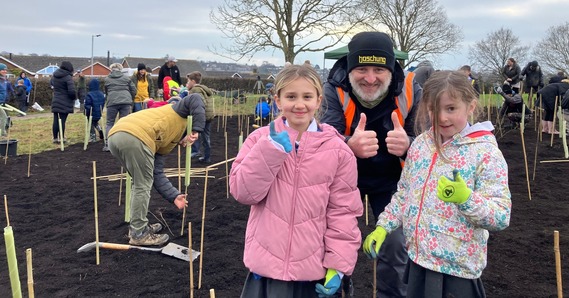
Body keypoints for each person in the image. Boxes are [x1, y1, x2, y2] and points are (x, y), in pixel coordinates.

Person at [363, 70, 511, 298]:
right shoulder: (421, 145)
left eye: (451, 108)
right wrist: (384, 226)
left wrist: (466, 199)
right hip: (418, 262)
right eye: (434, 109)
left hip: (457, 272)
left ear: (471, 106)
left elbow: (501, 216)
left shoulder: (486, 154)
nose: (442, 118)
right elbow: (404, 194)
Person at [229, 64, 363, 297]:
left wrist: (338, 266)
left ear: (319, 100)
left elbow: (343, 212)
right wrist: (270, 151)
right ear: (278, 100)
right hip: (266, 271)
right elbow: (243, 192)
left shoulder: (338, 151)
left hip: (312, 273)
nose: (299, 104)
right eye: (291, 96)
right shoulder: (259, 140)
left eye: (307, 96)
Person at [320, 31, 422, 297]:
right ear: (350, 68)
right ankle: (340, 287)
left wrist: (409, 145)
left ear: (391, 69)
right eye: (361, 69)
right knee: (329, 239)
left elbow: (429, 143)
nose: (370, 78)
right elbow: (322, 141)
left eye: (379, 69)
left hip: (391, 181)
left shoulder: (411, 89)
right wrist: (347, 146)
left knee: (396, 242)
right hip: (342, 181)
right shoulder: (333, 88)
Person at [108, 94, 205, 246]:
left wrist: (174, 196)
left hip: (116, 135)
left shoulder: (166, 132)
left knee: (140, 182)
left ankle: (138, 226)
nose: (186, 143)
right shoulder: (178, 111)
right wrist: (197, 130)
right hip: (135, 136)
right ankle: (139, 234)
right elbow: (195, 98)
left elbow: (156, 172)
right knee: (142, 184)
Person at [103, 63, 137, 151]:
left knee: (110, 123)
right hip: (126, 102)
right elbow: (134, 90)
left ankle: (108, 144)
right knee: (123, 122)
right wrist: (130, 98)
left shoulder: (107, 79)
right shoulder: (126, 78)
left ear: (111, 69)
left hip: (112, 102)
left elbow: (106, 91)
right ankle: (123, 143)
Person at [186, 71, 214, 163]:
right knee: (206, 137)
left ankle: (199, 153)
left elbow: (200, 103)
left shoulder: (195, 90)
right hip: (208, 115)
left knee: (196, 134)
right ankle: (206, 156)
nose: (187, 83)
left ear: (193, 81)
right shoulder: (203, 88)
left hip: (202, 116)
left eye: (188, 81)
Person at [50, 61, 76, 143]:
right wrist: (74, 98)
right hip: (65, 101)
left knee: (55, 120)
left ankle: (55, 138)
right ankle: (62, 138)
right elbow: (71, 91)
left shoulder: (54, 76)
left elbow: (51, 84)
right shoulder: (68, 77)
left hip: (56, 99)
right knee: (62, 120)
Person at [0, 63, 14, 136]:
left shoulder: (4, 80)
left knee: (4, 116)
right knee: (3, 116)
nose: (5, 71)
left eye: (5, 70)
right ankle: (3, 133)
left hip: (2, 101)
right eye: (2, 70)